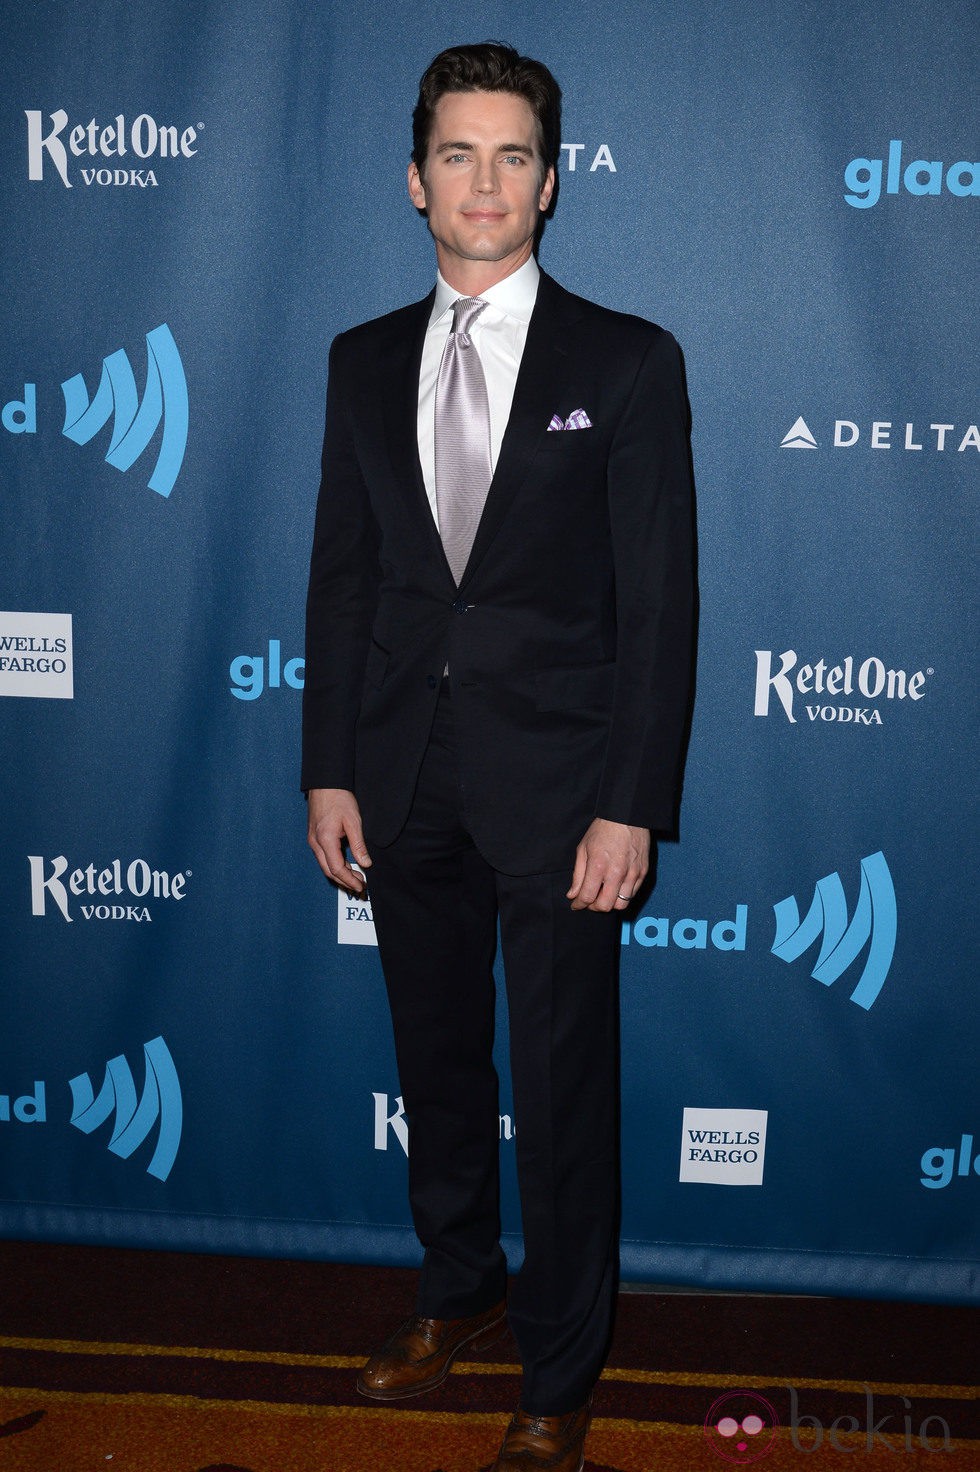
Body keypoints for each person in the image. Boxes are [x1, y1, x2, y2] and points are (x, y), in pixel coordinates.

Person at [302, 41, 695, 1472]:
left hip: (561, 795)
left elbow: (661, 603)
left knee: (564, 1087)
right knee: (437, 1063)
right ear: (416, 182)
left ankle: (560, 1373)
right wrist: (327, 765)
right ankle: (456, 1290)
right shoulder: (355, 361)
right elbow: (343, 579)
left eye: (514, 154)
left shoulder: (628, 360)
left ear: (550, 180)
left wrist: (630, 805)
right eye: (458, 154)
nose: (486, 180)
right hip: (400, 777)